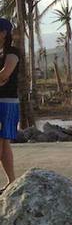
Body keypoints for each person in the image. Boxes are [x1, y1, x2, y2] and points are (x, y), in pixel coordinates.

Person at [0, 18, 20, 193]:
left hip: (6, 103)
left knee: (2, 142)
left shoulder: (12, 53)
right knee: (4, 143)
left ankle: (11, 180)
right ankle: (11, 181)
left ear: (4, 33)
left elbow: (5, 74)